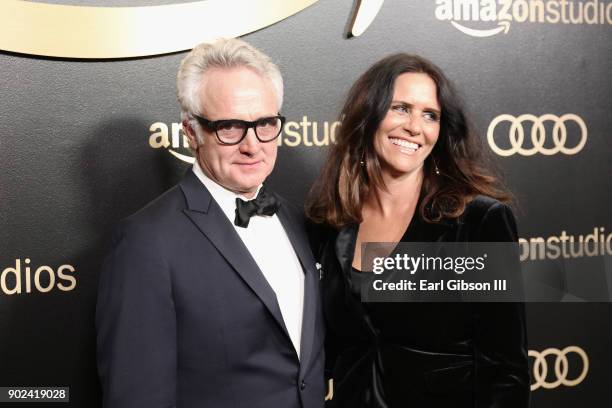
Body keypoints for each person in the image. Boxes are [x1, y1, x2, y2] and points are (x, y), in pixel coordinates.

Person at [96, 38, 325, 408]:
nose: (253, 145)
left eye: (265, 123)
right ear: (191, 132)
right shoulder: (146, 242)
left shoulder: (297, 220)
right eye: (230, 127)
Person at [306, 54, 529, 407]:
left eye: (430, 115)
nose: (414, 126)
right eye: (400, 108)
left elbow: (506, 369)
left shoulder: (477, 222)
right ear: (368, 115)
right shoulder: (330, 222)